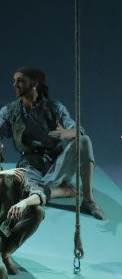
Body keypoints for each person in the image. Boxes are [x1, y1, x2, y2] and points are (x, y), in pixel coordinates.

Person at [0, 67, 104, 220]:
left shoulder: (54, 108)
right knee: (22, 193)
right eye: (14, 81)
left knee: (84, 141)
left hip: (57, 164)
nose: (15, 84)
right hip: (30, 165)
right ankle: (65, 191)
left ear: (34, 83)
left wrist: (66, 133)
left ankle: (88, 201)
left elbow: (77, 130)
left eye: (20, 81)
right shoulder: (10, 111)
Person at [0, 164, 46, 279]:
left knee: (37, 211)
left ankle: (5, 253)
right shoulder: (5, 174)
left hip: (2, 234)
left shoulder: (13, 176)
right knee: (0, 271)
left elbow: (38, 194)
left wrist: (23, 202)